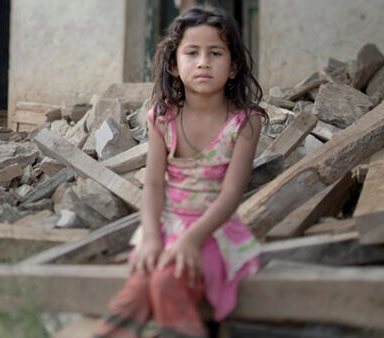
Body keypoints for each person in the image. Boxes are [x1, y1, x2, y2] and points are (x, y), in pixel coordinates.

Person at [94, 5, 268, 338]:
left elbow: (232, 193)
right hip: (166, 227)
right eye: (192, 52)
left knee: (164, 282)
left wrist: (191, 239)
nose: (203, 62)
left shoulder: (244, 122)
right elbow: (154, 186)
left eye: (215, 53)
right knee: (139, 285)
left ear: (233, 67)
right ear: (174, 65)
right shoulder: (162, 117)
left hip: (212, 232)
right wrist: (151, 237)